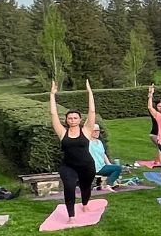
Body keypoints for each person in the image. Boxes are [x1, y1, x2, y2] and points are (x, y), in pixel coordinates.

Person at [45, 81, 100, 223]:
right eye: (70, 118)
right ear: (67, 120)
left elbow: (92, 112)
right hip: (68, 166)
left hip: (87, 166)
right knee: (69, 187)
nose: (73, 120)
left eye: (75, 118)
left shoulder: (87, 130)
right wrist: (52, 95)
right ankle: (71, 216)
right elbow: (53, 114)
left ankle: (85, 204)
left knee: (85, 188)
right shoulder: (62, 132)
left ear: (80, 119)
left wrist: (89, 92)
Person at [88, 123, 122, 192]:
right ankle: (108, 185)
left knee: (114, 169)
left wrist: (109, 163)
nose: (96, 132)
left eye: (98, 130)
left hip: (102, 166)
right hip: (95, 168)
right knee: (118, 168)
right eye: (94, 130)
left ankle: (106, 184)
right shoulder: (88, 143)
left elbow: (103, 154)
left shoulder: (99, 142)